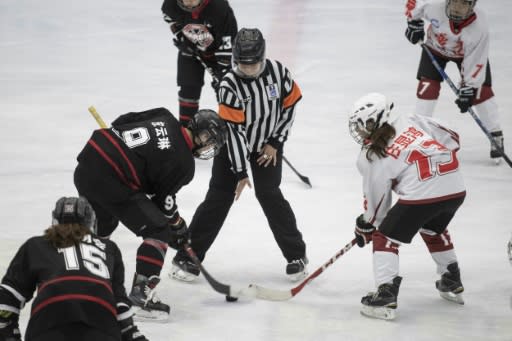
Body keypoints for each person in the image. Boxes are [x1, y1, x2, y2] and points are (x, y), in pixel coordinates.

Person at [170, 27, 308, 283]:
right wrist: (241, 172)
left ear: (262, 57)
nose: (248, 69)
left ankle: (296, 255)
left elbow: (289, 108)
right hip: (231, 148)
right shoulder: (229, 86)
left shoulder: (279, 73)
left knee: (270, 194)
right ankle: (190, 255)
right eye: (242, 64)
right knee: (218, 198)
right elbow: (233, 134)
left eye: (253, 64)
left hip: (268, 147)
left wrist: (276, 142)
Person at [74, 107, 227, 321]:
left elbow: (122, 119)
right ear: (200, 133)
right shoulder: (185, 164)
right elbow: (160, 203)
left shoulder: (164, 115)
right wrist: (176, 224)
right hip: (112, 178)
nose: (209, 146)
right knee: (158, 230)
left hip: (89, 163)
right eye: (209, 140)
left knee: (104, 226)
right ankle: (140, 296)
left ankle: (83, 285)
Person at [348, 93, 467, 320]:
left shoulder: (372, 154)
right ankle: (451, 277)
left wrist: (368, 225)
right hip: (456, 187)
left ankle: (386, 294)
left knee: (385, 238)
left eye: (366, 124)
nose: (362, 130)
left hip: (424, 194)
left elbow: (378, 202)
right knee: (433, 227)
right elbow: (453, 138)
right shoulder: (413, 120)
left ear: (381, 119)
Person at [0, 197, 147, 341]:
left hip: (48, 323)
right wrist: (131, 332)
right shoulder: (109, 248)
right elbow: (120, 305)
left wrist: (7, 332)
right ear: (91, 223)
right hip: (101, 325)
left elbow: (8, 297)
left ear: (55, 222)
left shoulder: (36, 244)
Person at [404, 0, 505, 161]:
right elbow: (414, 4)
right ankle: (419, 134)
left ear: (472, 6)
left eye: (464, 3)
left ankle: (495, 134)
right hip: (435, 48)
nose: (457, 8)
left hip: (466, 55)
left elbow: (476, 60)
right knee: (427, 87)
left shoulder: (480, 26)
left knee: (481, 92)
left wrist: (469, 87)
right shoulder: (434, 5)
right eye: (455, 2)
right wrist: (413, 22)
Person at [161, 0, 238, 126]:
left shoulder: (219, 8)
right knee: (188, 89)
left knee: (225, 90)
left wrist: (223, 70)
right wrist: (182, 37)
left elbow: (228, 42)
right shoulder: (170, 4)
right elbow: (171, 19)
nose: (189, 3)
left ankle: (231, 131)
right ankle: (186, 132)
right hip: (191, 50)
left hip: (217, 54)